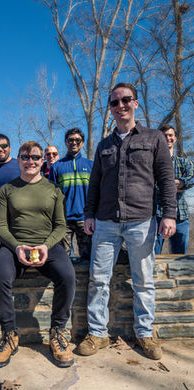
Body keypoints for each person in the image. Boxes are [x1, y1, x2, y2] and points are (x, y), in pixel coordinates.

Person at [79, 82, 177, 360]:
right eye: (114, 102)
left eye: (125, 100)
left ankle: (144, 333)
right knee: (98, 280)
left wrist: (169, 214)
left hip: (142, 221)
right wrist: (89, 214)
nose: (120, 106)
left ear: (135, 103)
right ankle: (97, 334)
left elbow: (166, 180)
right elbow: (95, 183)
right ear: (110, 109)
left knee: (144, 281)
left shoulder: (153, 138)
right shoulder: (104, 145)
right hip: (106, 221)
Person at [0, 141, 75, 368]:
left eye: (35, 157)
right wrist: (17, 247)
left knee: (67, 276)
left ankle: (57, 331)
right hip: (14, 247)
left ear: (42, 161)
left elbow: (60, 225)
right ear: (18, 160)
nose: (30, 161)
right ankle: (9, 334)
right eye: (25, 157)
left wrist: (46, 245)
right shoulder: (8, 190)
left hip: (47, 247)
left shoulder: (53, 190)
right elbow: (1, 226)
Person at [49, 128, 92, 261]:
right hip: (63, 219)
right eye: (70, 140)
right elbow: (51, 196)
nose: (74, 143)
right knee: (62, 258)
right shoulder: (56, 167)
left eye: (77, 140)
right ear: (66, 142)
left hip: (85, 219)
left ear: (82, 143)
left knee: (88, 258)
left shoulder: (91, 165)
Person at [155, 124, 194, 254]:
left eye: (170, 135)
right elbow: (150, 184)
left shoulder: (184, 162)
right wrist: (171, 186)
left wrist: (182, 183)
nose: (168, 138)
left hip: (181, 216)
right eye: (164, 136)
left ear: (175, 138)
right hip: (157, 215)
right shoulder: (152, 164)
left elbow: (192, 177)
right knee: (153, 257)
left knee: (180, 259)